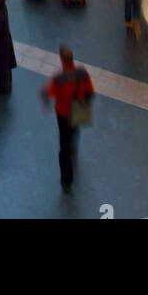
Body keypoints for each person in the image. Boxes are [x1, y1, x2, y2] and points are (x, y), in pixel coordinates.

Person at [39, 45, 94, 192]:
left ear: (62, 59)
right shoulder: (82, 73)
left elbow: (47, 94)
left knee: (64, 147)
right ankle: (74, 145)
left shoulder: (58, 79)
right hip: (78, 110)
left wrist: (45, 101)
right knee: (74, 130)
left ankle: (67, 181)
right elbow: (90, 91)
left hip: (63, 114)